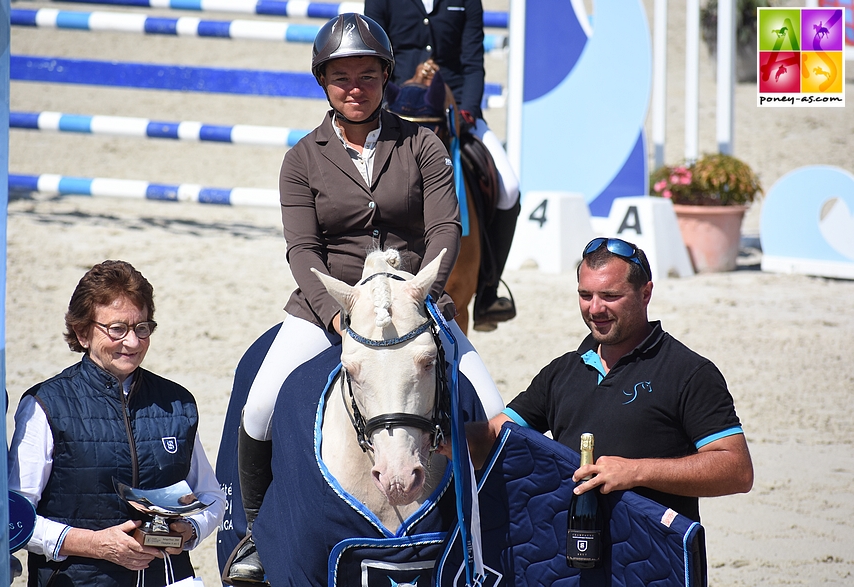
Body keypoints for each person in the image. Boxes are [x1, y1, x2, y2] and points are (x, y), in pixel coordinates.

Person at [227, 13, 505, 583]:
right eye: (341, 78)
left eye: (367, 76)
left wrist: (422, 292)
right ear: (323, 83)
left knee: (493, 409)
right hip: (330, 303)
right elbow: (302, 249)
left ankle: (495, 531)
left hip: (413, 305)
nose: (355, 89)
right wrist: (335, 315)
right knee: (258, 408)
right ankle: (254, 536)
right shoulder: (301, 158)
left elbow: (445, 229)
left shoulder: (422, 142)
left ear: (386, 77)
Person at [462, 238, 754, 523]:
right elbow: (492, 437)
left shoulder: (689, 372)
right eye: (585, 295)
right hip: (569, 559)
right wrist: (440, 434)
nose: (595, 309)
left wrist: (635, 472)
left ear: (645, 293)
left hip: (655, 562)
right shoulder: (562, 371)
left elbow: (737, 470)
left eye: (610, 296)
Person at [7, 260, 226, 587]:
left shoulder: (178, 402)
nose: (134, 343)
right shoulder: (45, 404)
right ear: (82, 332)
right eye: (117, 329)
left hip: (168, 578)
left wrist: (191, 529)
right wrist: (92, 544)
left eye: (142, 328)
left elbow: (211, 497)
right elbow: (14, 518)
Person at [365, 0, 521, 332]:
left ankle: (489, 290)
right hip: (396, 106)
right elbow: (375, 56)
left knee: (508, 186)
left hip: (453, 112)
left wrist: (466, 111)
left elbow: (472, 60)